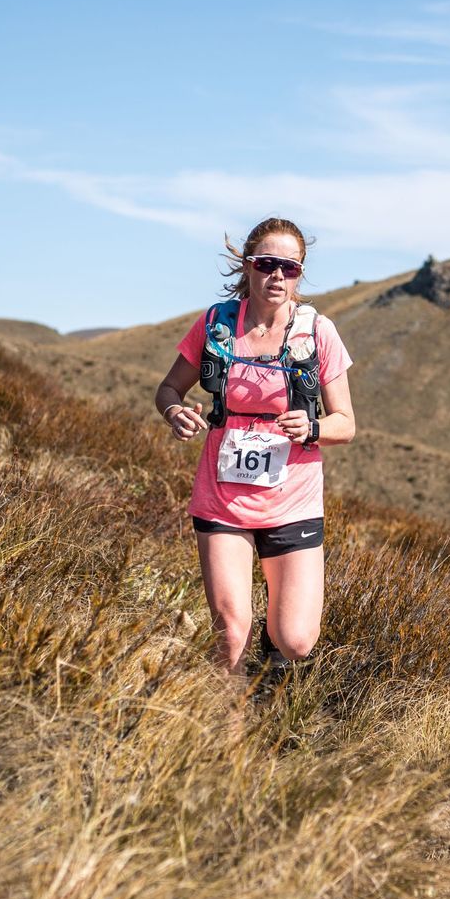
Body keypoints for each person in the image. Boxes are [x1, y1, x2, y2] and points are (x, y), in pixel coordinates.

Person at [155, 217, 355, 690]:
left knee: (297, 640)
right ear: (247, 267)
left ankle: (273, 660)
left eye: (290, 267)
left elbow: (345, 424)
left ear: (299, 273)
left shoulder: (317, 332)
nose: (277, 276)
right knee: (230, 633)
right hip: (222, 499)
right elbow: (168, 389)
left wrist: (312, 427)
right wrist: (174, 412)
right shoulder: (215, 325)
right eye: (266, 264)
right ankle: (228, 749)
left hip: (293, 501)